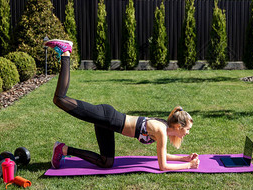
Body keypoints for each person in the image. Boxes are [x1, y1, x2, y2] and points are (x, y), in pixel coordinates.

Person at [45, 39, 200, 171]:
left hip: (109, 123)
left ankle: (63, 149)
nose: (188, 132)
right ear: (179, 126)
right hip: (107, 117)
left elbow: (163, 154)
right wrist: (189, 165)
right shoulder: (161, 130)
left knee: (107, 163)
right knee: (60, 99)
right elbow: (162, 166)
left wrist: (185, 158)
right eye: (188, 129)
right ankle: (66, 52)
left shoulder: (164, 130)